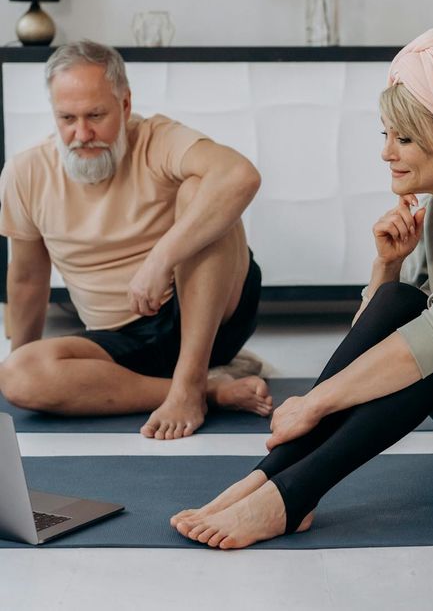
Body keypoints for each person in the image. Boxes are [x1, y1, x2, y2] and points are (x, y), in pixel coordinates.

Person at [170, 26, 433, 548]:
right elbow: (374, 342)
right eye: (385, 135)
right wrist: (386, 268)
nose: (387, 153)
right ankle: (273, 481)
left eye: (405, 138)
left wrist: (314, 402)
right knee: (404, 306)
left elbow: (431, 339)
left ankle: (288, 493)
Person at [0, 40, 272, 440]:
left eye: (95, 115)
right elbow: (26, 279)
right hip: (120, 342)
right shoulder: (25, 173)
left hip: (209, 316)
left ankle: (191, 378)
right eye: (67, 118)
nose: (82, 133)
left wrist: (161, 259)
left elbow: (240, 175)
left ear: (125, 106)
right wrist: (24, 364)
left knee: (202, 189)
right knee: (17, 375)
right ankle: (208, 389)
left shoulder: (157, 138)